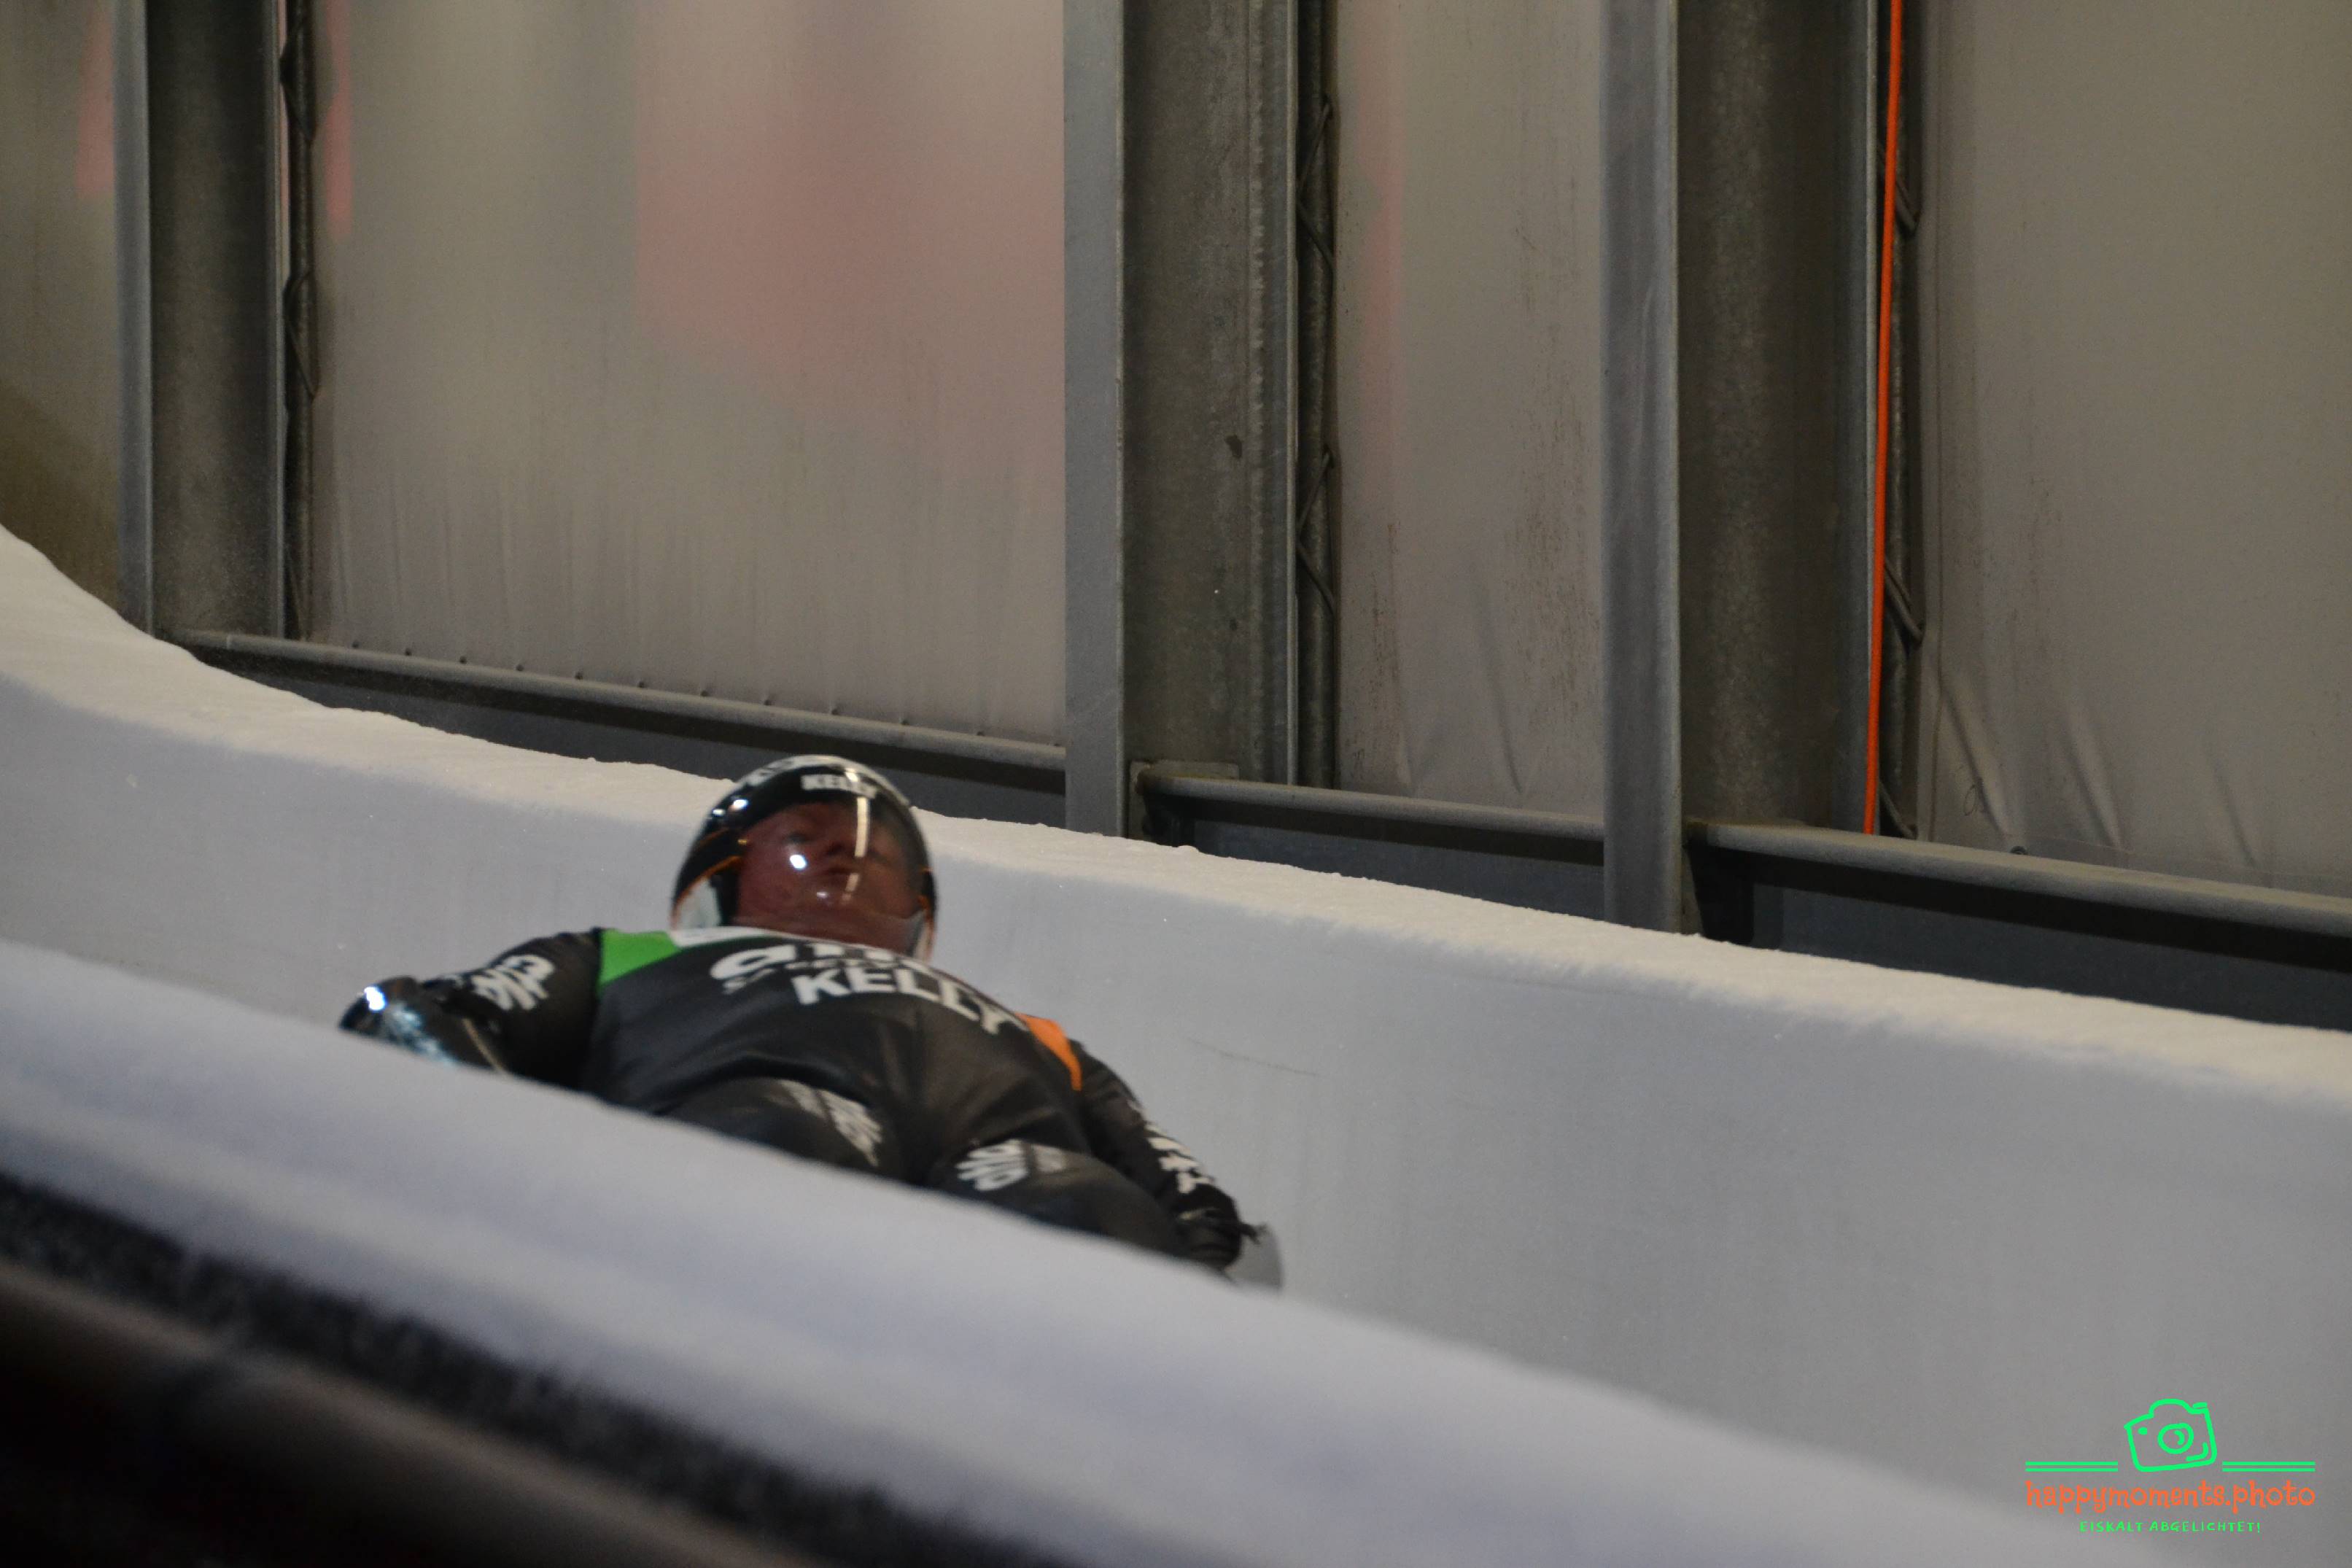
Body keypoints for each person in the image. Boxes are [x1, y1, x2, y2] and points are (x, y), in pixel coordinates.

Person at [340, 755, 1250, 1272]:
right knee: (778, 1140)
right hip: (760, 1133)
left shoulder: (1037, 1036)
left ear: (915, 905)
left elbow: (1186, 1196)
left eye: (870, 853)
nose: (842, 862)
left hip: (1007, 1174)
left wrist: (1201, 1280)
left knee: (1079, 1203)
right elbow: (418, 1017)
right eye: (805, 841)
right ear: (725, 882)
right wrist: (536, 1189)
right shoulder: (621, 958)